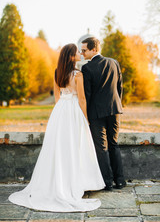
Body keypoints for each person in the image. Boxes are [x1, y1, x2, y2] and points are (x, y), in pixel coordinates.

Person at [8, 44, 105, 212]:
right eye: (77, 52)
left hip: (60, 111)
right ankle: (74, 182)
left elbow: (57, 95)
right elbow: (82, 99)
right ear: (71, 56)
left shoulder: (57, 72)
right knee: (75, 146)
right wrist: (85, 119)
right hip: (74, 111)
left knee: (58, 147)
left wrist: (59, 112)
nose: (80, 54)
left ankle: (56, 181)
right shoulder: (78, 75)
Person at [81, 37, 126, 191]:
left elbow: (87, 95)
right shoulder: (114, 62)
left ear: (94, 49)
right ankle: (120, 181)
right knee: (114, 144)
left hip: (96, 113)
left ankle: (107, 182)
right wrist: (118, 104)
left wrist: (85, 116)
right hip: (115, 110)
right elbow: (120, 88)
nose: (82, 53)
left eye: (84, 50)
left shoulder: (87, 69)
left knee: (102, 148)